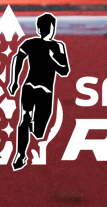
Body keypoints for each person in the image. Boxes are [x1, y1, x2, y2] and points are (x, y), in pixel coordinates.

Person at [7, 12, 70, 171]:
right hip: (31, 86)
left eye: (50, 27)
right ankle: (20, 154)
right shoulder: (30, 43)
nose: (48, 30)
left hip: (45, 91)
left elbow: (64, 70)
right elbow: (17, 59)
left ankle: (32, 128)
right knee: (24, 117)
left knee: (39, 130)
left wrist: (52, 59)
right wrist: (14, 81)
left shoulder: (58, 46)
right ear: (39, 29)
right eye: (45, 27)